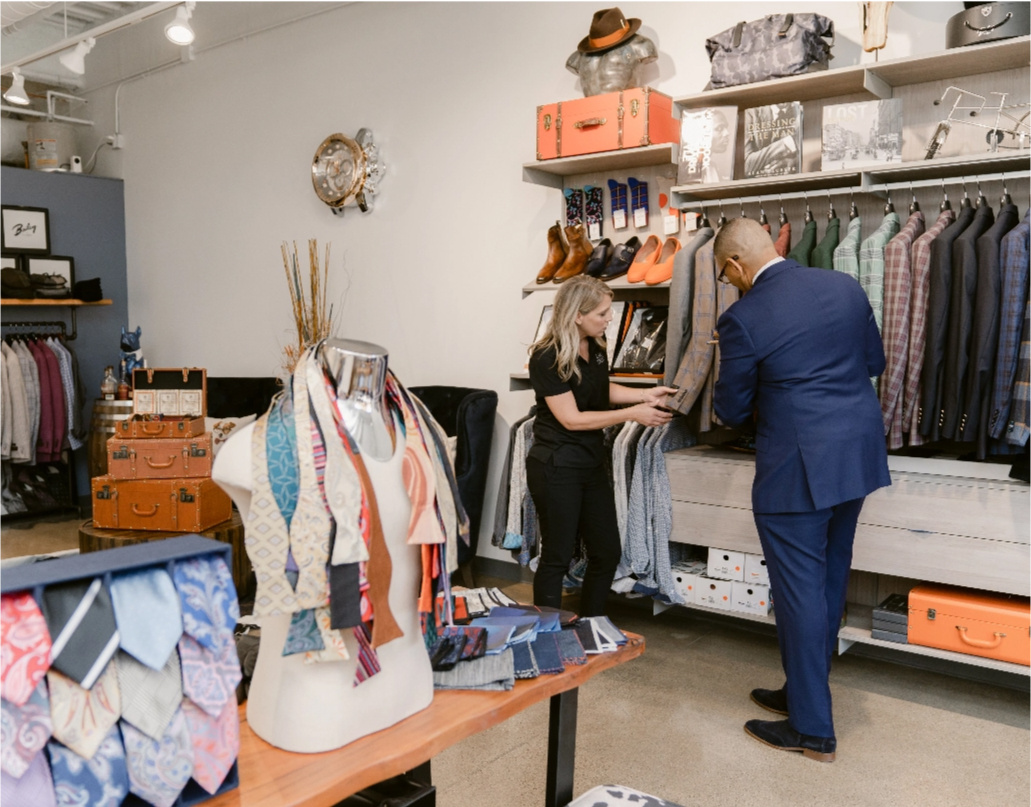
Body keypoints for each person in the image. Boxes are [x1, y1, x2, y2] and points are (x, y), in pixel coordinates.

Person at [710, 218, 890, 763]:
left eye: (725, 274)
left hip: (797, 468)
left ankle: (813, 729)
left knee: (798, 593)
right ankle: (801, 690)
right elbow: (873, 363)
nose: (729, 282)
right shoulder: (844, 285)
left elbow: (731, 408)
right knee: (829, 579)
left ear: (737, 264)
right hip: (854, 455)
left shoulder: (743, 317)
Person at [527, 275, 675, 616]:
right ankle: (546, 637)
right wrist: (633, 415)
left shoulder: (595, 345)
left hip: (590, 463)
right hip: (556, 465)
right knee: (557, 556)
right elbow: (572, 419)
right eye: (602, 313)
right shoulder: (547, 357)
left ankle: (591, 623)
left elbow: (598, 390)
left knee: (606, 552)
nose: (610, 318)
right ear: (577, 315)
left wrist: (643, 395)